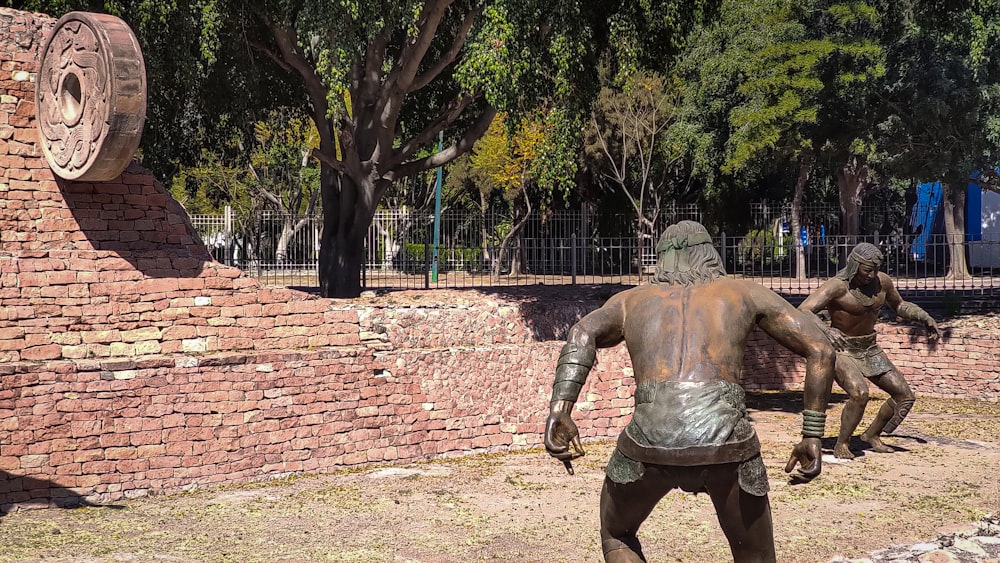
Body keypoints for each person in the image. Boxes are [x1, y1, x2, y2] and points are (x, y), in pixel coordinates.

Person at [543, 220, 836, 563]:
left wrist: (560, 409)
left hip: (647, 442)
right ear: (709, 252)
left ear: (662, 258)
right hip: (727, 444)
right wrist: (812, 435)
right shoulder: (745, 292)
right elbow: (822, 350)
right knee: (755, 556)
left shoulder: (629, 301)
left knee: (616, 534)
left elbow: (581, 333)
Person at [798, 242, 941, 459]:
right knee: (860, 393)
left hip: (869, 348)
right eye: (867, 269)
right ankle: (842, 444)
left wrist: (923, 316)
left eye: (875, 269)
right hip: (843, 350)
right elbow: (804, 310)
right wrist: (827, 331)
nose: (871, 274)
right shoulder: (837, 287)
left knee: (905, 396)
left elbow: (899, 305)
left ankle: (871, 435)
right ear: (855, 266)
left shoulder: (882, 282)